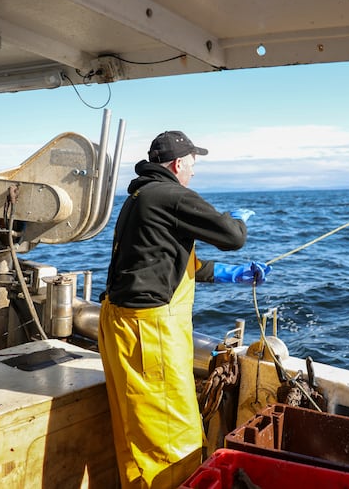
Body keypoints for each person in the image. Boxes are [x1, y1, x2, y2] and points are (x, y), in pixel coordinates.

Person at [98, 130, 270, 489]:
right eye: (193, 164)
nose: (194, 172)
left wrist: (228, 275)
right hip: (150, 333)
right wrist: (237, 220)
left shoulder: (140, 197)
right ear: (178, 164)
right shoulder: (172, 195)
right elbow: (232, 236)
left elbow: (161, 261)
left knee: (138, 435)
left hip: (122, 324)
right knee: (173, 440)